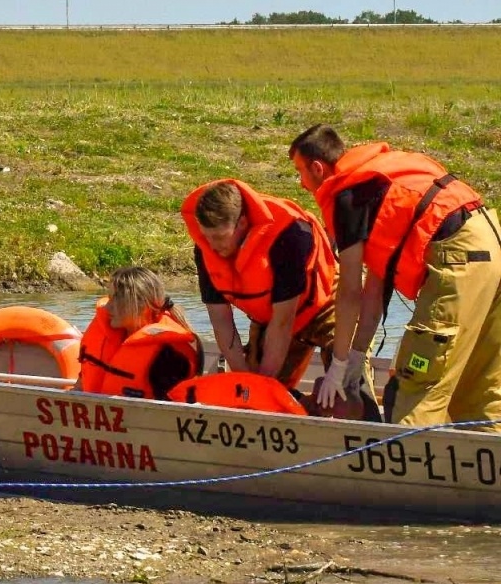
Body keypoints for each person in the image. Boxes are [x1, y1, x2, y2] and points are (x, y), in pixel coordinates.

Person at [290, 125, 501, 428]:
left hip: (457, 256)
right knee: (479, 387)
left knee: (415, 383)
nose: (301, 183)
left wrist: (336, 365)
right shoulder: (377, 185)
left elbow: (349, 292)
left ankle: (407, 468)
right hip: (490, 242)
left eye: (300, 172)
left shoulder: (346, 198)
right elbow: (372, 293)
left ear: (317, 167)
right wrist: (355, 356)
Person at [181, 179, 350, 391]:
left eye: (219, 237)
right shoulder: (206, 249)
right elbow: (221, 321)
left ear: (242, 223)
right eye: (207, 237)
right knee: (255, 386)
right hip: (272, 314)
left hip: (325, 300)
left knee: (350, 379)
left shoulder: (288, 236)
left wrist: (261, 385)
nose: (213, 246)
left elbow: (282, 323)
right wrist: (245, 383)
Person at [77, 266, 201, 399]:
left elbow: (170, 413)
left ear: (141, 305)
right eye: (109, 298)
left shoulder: (169, 356)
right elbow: (81, 383)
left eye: (116, 299)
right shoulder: (110, 337)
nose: (107, 307)